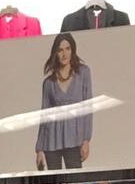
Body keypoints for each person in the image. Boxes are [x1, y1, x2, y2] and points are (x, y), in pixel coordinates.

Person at [35, 34, 93, 171]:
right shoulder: (48, 83)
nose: (64, 54)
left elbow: (88, 109)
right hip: (51, 141)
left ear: (73, 50)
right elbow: (44, 116)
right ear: (55, 53)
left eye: (68, 49)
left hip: (74, 139)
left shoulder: (83, 73)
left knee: (76, 181)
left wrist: (86, 140)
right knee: (55, 182)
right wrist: (39, 149)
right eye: (60, 50)